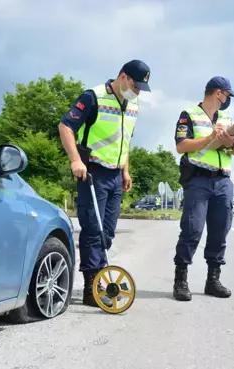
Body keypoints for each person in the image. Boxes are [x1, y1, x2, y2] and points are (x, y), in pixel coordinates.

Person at [58, 60, 151, 307]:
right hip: (93, 172)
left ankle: (97, 277)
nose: (138, 91)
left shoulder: (133, 104)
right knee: (92, 230)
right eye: (135, 85)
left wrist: (126, 171)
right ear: (122, 77)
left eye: (142, 88)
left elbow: (125, 139)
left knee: (107, 232)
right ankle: (91, 287)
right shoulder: (93, 97)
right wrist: (76, 161)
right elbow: (66, 126)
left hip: (116, 176)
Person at [172, 76, 234, 302]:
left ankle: (213, 280)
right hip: (198, 180)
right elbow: (181, 145)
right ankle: (180, 280)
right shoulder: (189, 115)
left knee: (220, 231)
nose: (227, 100)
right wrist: (210, 138)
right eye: (227, 95)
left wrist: (231, 141)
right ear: (218, 93)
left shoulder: (226, 117)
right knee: (192, 229)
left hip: (223, 181)